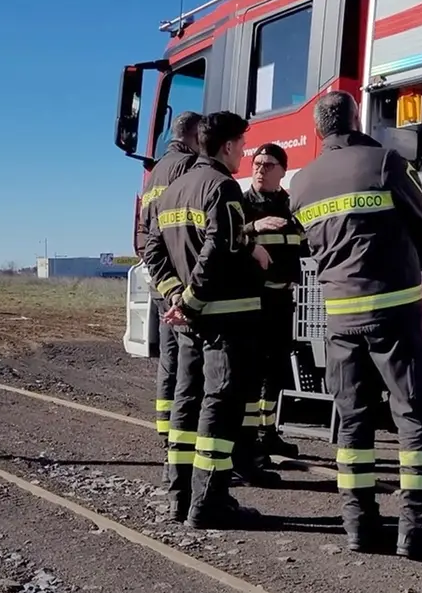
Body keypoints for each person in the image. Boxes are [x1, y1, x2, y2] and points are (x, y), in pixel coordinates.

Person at [288, 90, 422, 560]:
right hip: (393, 312)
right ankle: (419, 525)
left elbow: (312, 244)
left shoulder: (300, 183)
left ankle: (359, 523)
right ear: (355, 117)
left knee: (353, 420)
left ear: (320, 131)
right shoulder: (385, 162)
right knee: (414, 415)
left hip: (339, 317)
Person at [142, 110, 270, 529]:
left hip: (188, 321)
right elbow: (221, 248)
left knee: (188, 400)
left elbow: (152, 252)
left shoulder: (172, 190)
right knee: (221, 404)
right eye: (242, 145)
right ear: (229, 145)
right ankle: (210, 503)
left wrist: (175, 296)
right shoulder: (223, 187)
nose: (244, 153)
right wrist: (193, 298)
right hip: (225, 320)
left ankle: (180, 496)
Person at [136, 111, 203, 485]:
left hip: (158, 271)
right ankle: (180, 436)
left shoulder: (158, 169)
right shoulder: (189, 167)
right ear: (195, 137)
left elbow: (150, 226)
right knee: (188, 362)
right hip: (181, 275)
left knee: (170, 355)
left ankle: (165, 426)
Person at [240, 143, 304, 472]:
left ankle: (268, 431)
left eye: (268, 164)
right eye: (256, 163)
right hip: (255, 302)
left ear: (282, 170)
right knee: (253, 372)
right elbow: (223, 236)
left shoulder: (290, 206)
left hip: (283, 300)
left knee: (276, 370)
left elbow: (304, 242)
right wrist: (253, 228)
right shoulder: (242, 204)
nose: (260, 168)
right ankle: (250, 441)